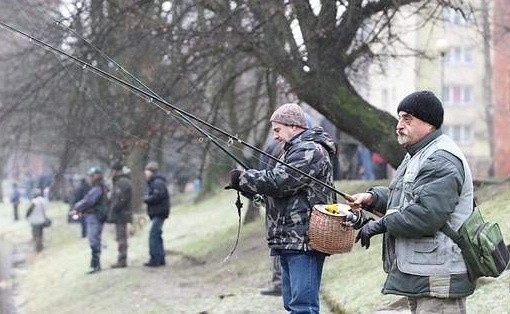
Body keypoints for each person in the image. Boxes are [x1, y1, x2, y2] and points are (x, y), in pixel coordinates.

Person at [348, 91, 476, 314]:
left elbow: (426, 214)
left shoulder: (440, 159)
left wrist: (380, 224)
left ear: (429, 124)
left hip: (439, 276)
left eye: (407, 119)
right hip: (425, 271)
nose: (399, 125)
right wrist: (373, 198)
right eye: (399, 118)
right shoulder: (419, 154)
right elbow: (407, 199)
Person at [226, 103, 336, 313]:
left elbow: (281, 181)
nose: (275, 136)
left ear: (294, 126)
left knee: (303, 307)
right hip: (288, 238)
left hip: (304, 240)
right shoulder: (292, 151)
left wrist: (245, 177)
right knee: (291, 304)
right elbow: (281, 192)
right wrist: (249, 189)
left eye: (277, 130)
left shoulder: (309, 150)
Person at [258, 139, 285, 297]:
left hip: (286, 213)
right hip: (274, 208)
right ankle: (279, 282)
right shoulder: (273, 146)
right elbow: (264, 171)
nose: (276, 135)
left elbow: (276, 180)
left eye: (278, 129)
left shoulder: (301, 150)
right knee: (276, 246)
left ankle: (280, 283)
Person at [72, 167, 109, 274]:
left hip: (95, 216)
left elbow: (89, 201)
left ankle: (95, 265)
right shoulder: (101, 187)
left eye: (91, 176)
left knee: (93, 239)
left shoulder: (98, 188)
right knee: (94, 239)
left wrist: (77, 207)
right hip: (96, 215)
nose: (90, 178)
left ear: (97, 176)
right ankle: (95, 265)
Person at [143, 161, 170, 267]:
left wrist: (147, 199)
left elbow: (157, 196)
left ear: (151, 172)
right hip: (158, 213)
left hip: (159, 213)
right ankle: (160, 258)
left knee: (153, 235)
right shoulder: (155, 182)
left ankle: (155, 259)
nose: (145, 174)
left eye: (147, 172)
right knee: (157, 235)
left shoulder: (157, 183)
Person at [109, 162, 133, 268]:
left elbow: (121, 198)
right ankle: (122, 258)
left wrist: (114, 207)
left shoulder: (121, 182)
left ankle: (122, 259)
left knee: (121, 237)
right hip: (122, 212)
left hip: (121, 213)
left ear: (116, 171)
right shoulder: (122, 181)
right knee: (120, 237)